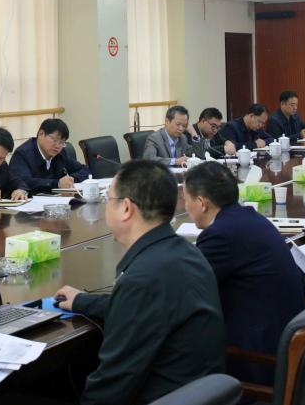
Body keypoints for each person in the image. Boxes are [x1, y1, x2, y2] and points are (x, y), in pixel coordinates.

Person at [55, 160, 225, 405]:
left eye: (108, 199)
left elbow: (112, 385)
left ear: (126, 208)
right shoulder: (186, 252)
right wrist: (83, 301)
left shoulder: (144, 278)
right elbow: (145, 307)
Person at [184, 162, 305, 386]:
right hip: (285, 346)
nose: (185, 206)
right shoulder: (251, 218)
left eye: (186, 200)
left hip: (258, 362)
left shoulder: (220, 234)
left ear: (201, 203)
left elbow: (186, 289)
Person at [9, 118, 90, 194]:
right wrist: (57, 183)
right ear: (41, 134)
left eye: (62, 142)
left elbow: (85, 170)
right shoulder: (22, 154)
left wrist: (70, 180)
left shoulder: (60, 153)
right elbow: (22, 182)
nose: (57, 146)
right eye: (54, 140)